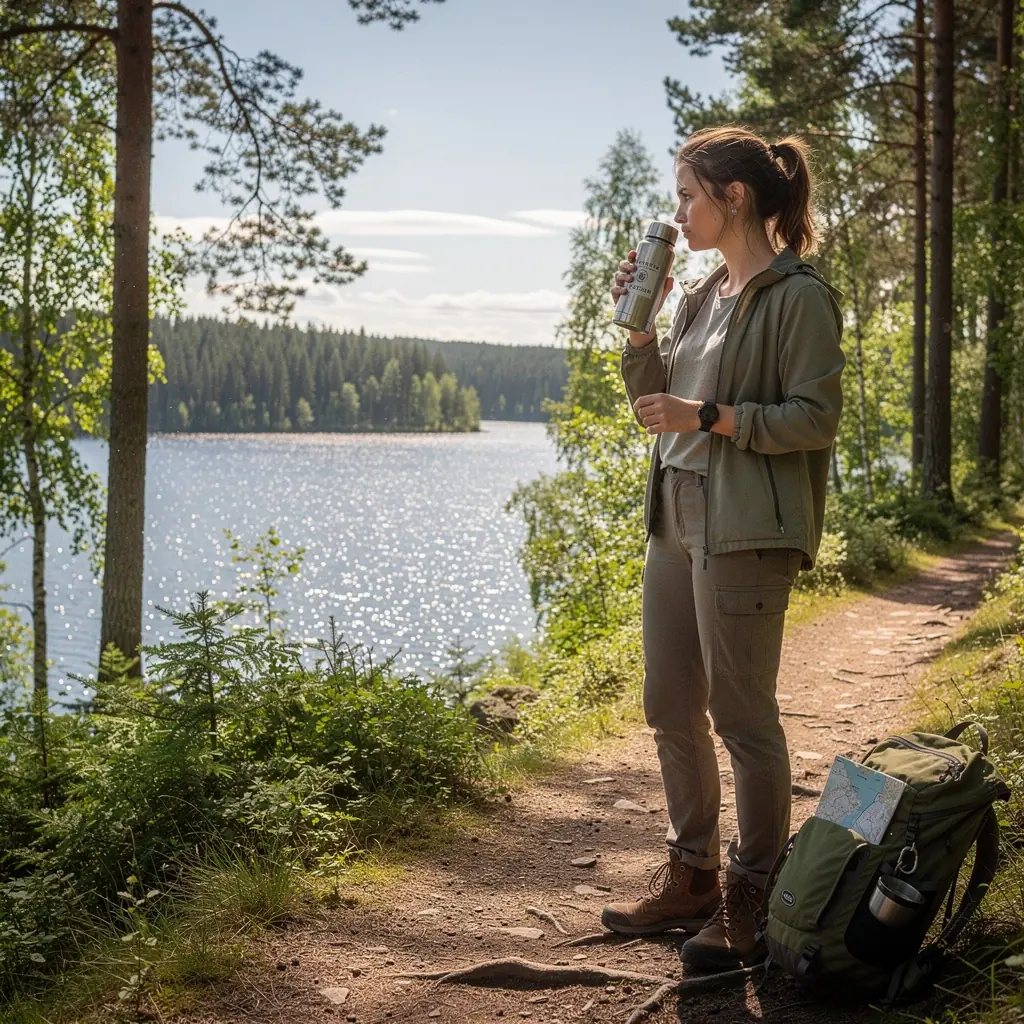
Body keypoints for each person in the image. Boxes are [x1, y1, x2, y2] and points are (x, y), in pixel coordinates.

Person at [601, 125, 845, 972]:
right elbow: (654, 405)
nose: (678, 211)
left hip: (744, 525)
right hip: (674, 514)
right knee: (670, 704)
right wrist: (640, 335)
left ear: (732, 198)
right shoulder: (702, 295)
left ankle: (753, 893)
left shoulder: (798, 296)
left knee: (742, 718)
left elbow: (813, 419)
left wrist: (708, 418)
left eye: (686, 196)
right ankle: (693, 873)